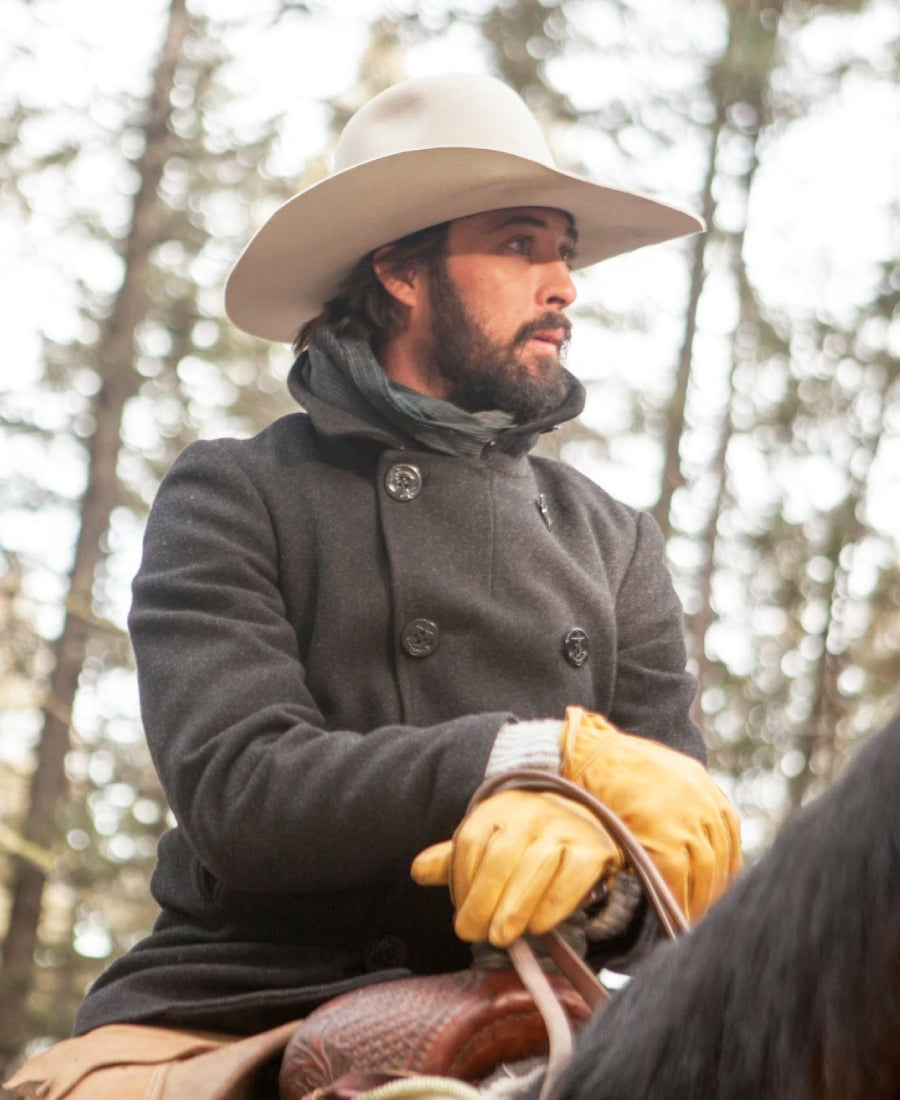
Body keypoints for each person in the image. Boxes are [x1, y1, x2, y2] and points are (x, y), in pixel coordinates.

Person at [5, 73, 740, 1099]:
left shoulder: (614, 540)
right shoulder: (239, 491)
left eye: (564, 251)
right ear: (399, 269)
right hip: (233, 1013)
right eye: (523, 244)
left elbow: (676, 860)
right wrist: (529, 759)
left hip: (529, 1010)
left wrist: (602, 874)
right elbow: (243, 789)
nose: (564, 284)